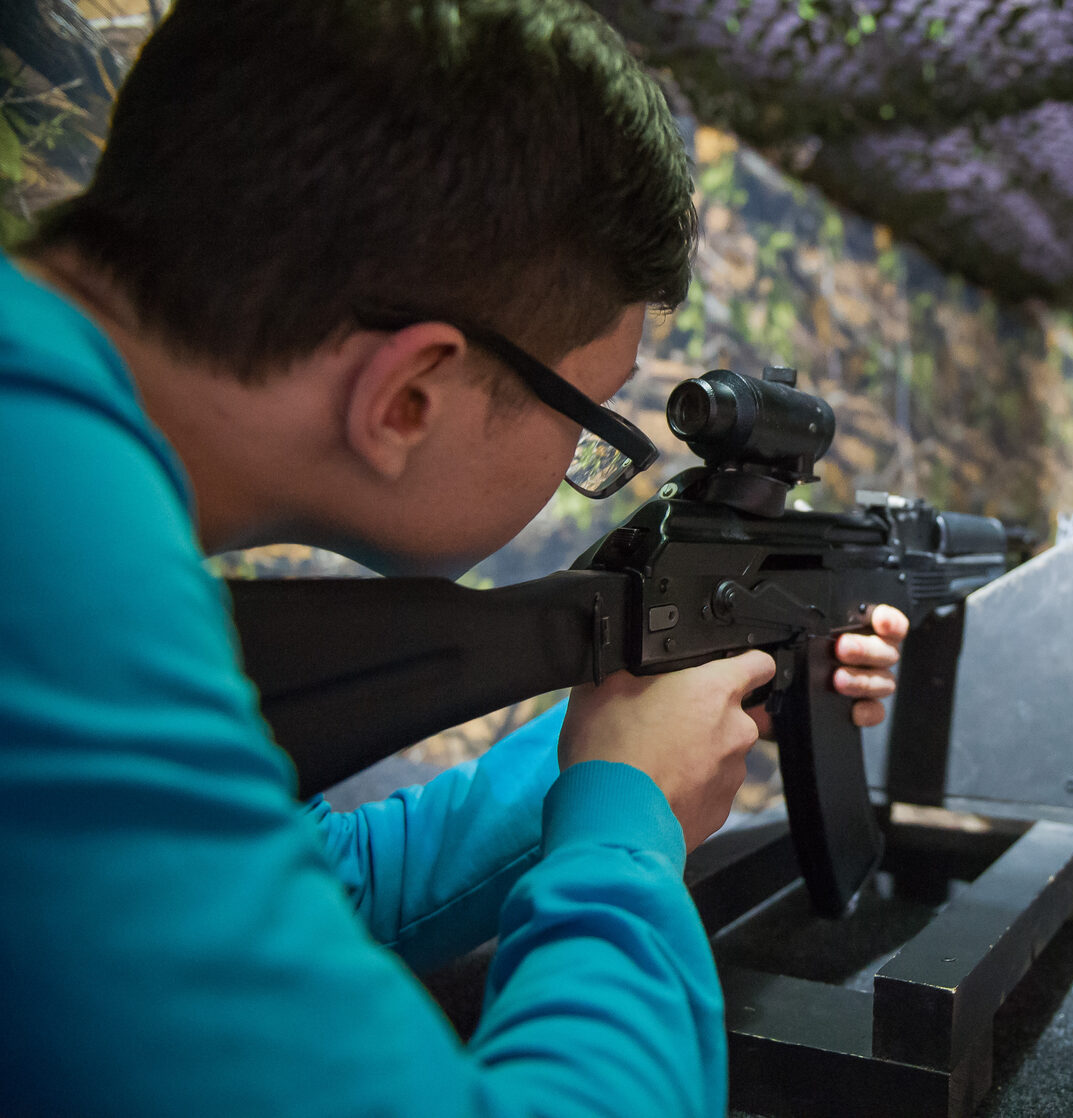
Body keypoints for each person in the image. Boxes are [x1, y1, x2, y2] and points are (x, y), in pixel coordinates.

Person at [0, 2, 908, 1115]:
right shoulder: (54, 568)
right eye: (593, 422)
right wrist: (630, 825)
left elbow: (334, 881)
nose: (590, 453)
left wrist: (644, 716)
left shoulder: (58, 475)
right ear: (411, 392)